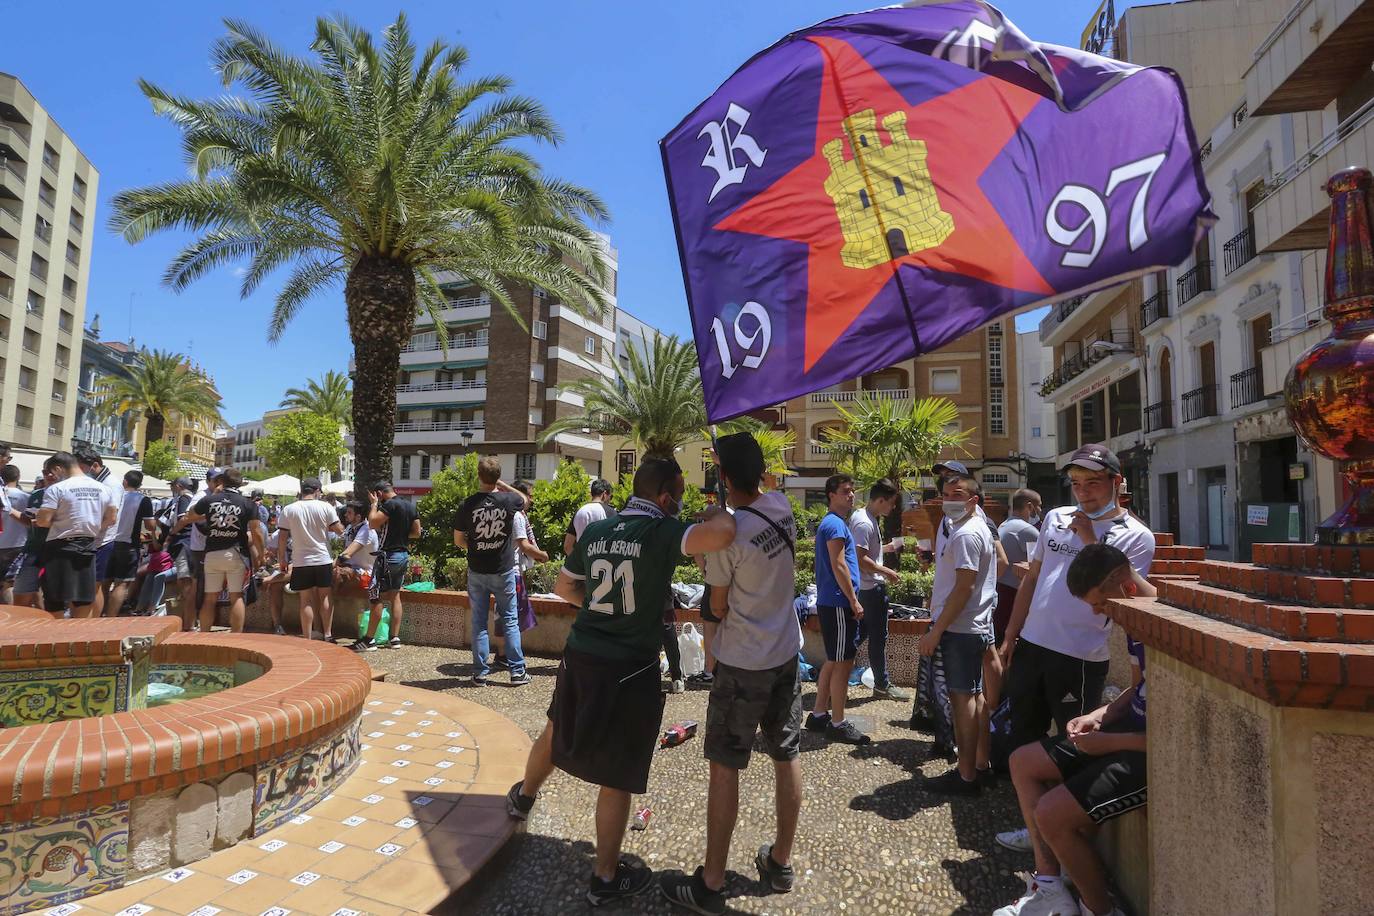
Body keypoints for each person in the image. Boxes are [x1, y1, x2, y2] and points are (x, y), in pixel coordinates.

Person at [507, 457, 735, 906]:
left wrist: (601, 610)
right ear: (666, 497)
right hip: (630, 666)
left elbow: (566, 587)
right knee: (618, 771)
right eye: (680, 496)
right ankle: (604, 879)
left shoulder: (597, 530)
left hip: (582, 653)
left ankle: (523, 798)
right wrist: (716, 508)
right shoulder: (663, 531)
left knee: (557, 729)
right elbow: (724, 533)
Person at [660, 433, 801, 913]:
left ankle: (712, 881)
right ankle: (780, 861)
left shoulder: (730, 535)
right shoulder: (782, 507)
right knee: (786, 754)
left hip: (743, 662)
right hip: (785, 655)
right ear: (761, 473)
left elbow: (716, 603)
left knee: (725, 765)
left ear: (721, 477)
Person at [996, 445, 1155, 852]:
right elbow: (1033, 577)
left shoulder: (1135, 536)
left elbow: (1123, 591)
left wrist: (1088, 537)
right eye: (1077, 484)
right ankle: (1033, 828)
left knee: (1073, 746)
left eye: (1094, 483)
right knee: (1024, 736)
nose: (1083, 492)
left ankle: (1066, 833)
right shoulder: (1054, 517)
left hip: (1080, 654)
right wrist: (1013, 633)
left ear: (1117, 483)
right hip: (1033, 643)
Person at [995, 543, 1154, 916]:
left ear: (1123, 584)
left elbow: (1173, 738)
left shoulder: (1167, 628)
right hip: (1124, 734)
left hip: (1147, 751)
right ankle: (1049, 885)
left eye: (1099, 603)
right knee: (1023, 761)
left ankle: (1100, 910)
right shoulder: (1133, 622)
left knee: (1052, 814)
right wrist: (1100, 715)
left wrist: (1107, 742)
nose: (1097, 613)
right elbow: (1138, 687)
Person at [917, 474, 998, 795]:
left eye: (958, 494)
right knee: (975, 698)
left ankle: (965, 776)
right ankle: (980, 764)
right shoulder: (974, 527)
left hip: (959, 629)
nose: (950, 499)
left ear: (973, 499)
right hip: (972, 626)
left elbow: (963, 588)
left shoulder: (967, 533)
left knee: (962, 700)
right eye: (946, 493)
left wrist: (936, 631)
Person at [455, 458, 532, 686]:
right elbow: (525, 500)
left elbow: (459, 540)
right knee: (510, 620)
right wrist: (503, 484)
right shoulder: (508, 500)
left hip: (477, 569)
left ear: (479, 476)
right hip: (503, 570)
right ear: (497, 477)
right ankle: (517, 671)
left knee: (479, 621)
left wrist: (476, 547)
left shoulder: (467, 504)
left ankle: (480, 673)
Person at [806, 474, 869, 745]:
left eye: (852, 491)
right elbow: (839, 564)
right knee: (843, 663)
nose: (851, 495)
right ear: (831, 494)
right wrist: (853, 600)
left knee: (834, 659)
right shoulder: (834, 525)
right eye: (845, 491)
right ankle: (838, 722)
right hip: (839, 603)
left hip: (834, 603)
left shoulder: (835, 524)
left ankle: (819, 714)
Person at [35, 452, 117, 618]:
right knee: (83, 599)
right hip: (87, 545)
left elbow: (43, 521)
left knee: (54, 598)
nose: (52, 476)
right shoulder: (104, 489)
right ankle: (79, 636)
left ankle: (56, 637)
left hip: (59, 547)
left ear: (58, 469)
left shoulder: (57, 489)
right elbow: (112, 518)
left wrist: (64, 523)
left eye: (52, 472)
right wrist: (90, 526)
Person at [182, 468, 263, 633]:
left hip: (212, 553)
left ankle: (204, 633)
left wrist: (213, 497)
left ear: (222, 482)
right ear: (240, 484)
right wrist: (262, 553)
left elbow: (189, 516)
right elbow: (256, 532)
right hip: (236, 553)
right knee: (236, 596)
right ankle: (235, 636)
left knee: (209, 598)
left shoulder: (210, 500)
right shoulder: (248, 504)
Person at [848, 478, 908, 701]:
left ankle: (836, 673)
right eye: (891, 503)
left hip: (867, 588)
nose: (893, 508)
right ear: (880, 500)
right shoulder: (864, 522)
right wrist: (887, 572)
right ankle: (882, 684)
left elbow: (866, 551)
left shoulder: (866, 518)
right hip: (871, 589)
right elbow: (861, 558)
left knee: (861, 636)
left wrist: (887, 548)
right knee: (877, 637)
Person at [276, 477, 345, 640]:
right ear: (317, 491)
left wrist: (282, 560)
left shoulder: (289, 509)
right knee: (325, 596)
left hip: (301, 560)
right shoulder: (326, 507)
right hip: (323, 558)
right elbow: (339, 530)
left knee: (305, 600)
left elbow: (282, 538)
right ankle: (328, 634)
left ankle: (307, 636)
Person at [356, 481, 420, 651]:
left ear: (379, 493)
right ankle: (395, 638)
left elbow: (372, 523)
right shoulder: (409, 506)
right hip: (403, 556)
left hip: (387, 557)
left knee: (375, 596)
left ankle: (369, 640)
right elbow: (417, 532)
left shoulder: (389, 505)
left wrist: (374, 504)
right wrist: (402, 535)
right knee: (395, 595)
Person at [76, 447, 125, 617]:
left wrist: (89, 530)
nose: (79, 471)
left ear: (94, 465)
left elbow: (112, 517)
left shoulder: (111, 484)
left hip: (101, 541)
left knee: (95, 585)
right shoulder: (99, 483)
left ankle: (93, 622)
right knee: (92, 584)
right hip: (94, 539)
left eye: (81, 467)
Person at [104, 470, 157, 618]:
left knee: (104, 581)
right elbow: (150, 525)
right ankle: (111, 617)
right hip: (128, 544)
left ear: (125, 482)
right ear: (140, 484)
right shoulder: (143, 500)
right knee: (122, 583)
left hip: (107, 541)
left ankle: (98, 613)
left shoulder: (114, 495)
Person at [996, 489, 1042, 642]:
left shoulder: (1004, 525)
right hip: (1014, 596)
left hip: (1000, 590)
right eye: (1039, 506)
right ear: (1030, 507)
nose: (1040, 511)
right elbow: (1036, 566)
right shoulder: (1028, 531)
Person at [336, 502, 383, 650]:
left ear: (358, 516)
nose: (345, 515)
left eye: (349, 513)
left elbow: (346, 554)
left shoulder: (366, 529)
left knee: (331, 575)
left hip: (367, 574)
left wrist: (332, 564)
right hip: (354, 570)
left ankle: (370, 640)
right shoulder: (351, 528)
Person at [13, 466, 56, 610]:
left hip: (56, 552)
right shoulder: (35, 495)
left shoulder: (65, 494)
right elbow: (27, 521)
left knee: (54, 598)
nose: (49, 475)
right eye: (45, 472)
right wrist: (9, 509)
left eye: (52, 471)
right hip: (33, 550)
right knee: (21, 593)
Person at [563, 477, 615, 556]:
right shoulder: (611, 513)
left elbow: (567, 546)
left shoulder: (580, 512)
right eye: (610, 497)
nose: (610, 500)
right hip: (602, 564)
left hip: (582, 563)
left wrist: (578, 563)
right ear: (604, 494)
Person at [0, 464, 29, 604]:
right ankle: (10, 616)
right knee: (9, 583)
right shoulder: (25, 497)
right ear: (18, 478)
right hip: (17, 543)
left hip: (2, 541)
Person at [134, 535, 178, 614]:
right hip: (167, 567)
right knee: (150, 575)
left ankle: (153, 607)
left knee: (159, 577)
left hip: (178, 568)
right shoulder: (168, 539)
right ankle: (139, 608)